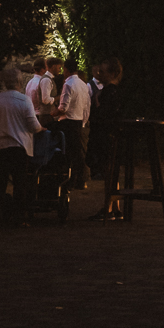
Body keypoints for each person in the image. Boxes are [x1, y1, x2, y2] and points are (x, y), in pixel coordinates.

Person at [0, 66, 43, 226]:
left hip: (1, 146)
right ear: (19, 81)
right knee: (20, 182)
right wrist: (40, 128)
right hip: (20, 146)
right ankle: (19, 217)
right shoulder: (24, 100)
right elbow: (33, 125)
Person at [89, 59, 125, 219]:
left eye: (102, 72)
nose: (99, 75)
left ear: (111, 74)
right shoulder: (115, 91)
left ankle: (108, 207)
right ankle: (115, 207)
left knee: (109, 172)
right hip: (111, 136)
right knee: (112, 172)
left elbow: (104, 115)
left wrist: (97, 106)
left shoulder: (109, 92)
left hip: (107, 137)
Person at [56, 59, 91, 192]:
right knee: (78, 153)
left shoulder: (68, 84)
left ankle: (66, 178)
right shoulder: (83, 84)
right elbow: (87, 106)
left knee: (68, 153)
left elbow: (63, 107)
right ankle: (80, 180)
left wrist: (55, 112)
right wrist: (83, 121)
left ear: (66, 69)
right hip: (78, 121)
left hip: (68, 122)